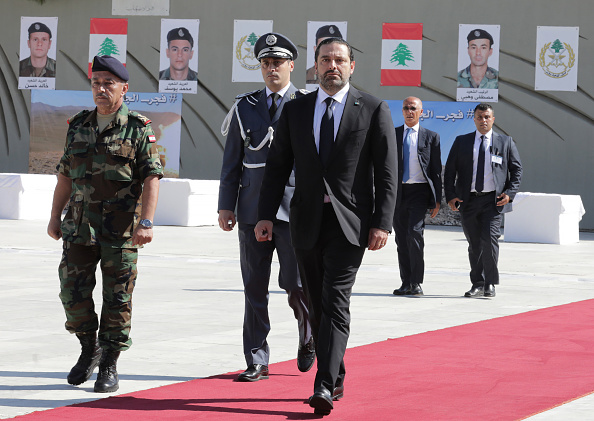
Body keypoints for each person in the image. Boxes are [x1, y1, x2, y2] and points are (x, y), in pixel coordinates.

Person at [255, 37, 397, 416]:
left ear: (352, 66)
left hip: (350, 224)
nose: (331, 65)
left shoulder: (372, 108)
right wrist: (265, 215)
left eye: (339, 59)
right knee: (316, 305)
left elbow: (386, 172)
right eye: (324, 60)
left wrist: (382, 222)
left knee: (335, 300)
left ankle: (323, 384)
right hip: (306, 221)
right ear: (315, 67)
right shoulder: (297, 110)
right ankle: (337, 373)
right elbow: (277, 166)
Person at [47, 55, 163, 393]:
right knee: (72, 292)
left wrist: (147, 221)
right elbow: (65, 176)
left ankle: (110, 362)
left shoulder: (138, 128)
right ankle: (88, 348)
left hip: (121, 229)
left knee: (118, 299)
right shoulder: (79, 125)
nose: (100, 88)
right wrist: (55, 216)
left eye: (108, 83)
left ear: (124, 88)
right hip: (79, 227)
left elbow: (152, 178)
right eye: (96, 82)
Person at [218, 32, 314, 383]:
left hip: (292, 210)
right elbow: (232, 161)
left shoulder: (306, 104)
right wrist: (225, 206)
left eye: (278, 62)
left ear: (292, 65)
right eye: (266, 63)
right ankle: (257, 358)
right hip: (251, 210)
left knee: (296, 284)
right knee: (254, 285)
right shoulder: (245, 107)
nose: (272, 68)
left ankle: (308, 334)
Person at [444, 103, 522, 298]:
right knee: (474, 244)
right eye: (480, 117)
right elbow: (450, 172)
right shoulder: (462, 142)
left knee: (489, 240)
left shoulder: (505, 142)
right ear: (474, 119)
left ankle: (490, 283)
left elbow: (516, 170)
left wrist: (509, 193)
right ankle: (477, 283)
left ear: (493, 119)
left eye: (487, 117)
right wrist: (451, 196)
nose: (483, 120)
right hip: (468, 201)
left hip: (492, 202)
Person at [392, 97, 442, 296]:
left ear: (421, 112)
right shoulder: (392, 134)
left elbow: (436, 171)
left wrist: (437, 199)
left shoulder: (431, 137)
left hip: (419, 192)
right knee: (401, 239)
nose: (409, 111)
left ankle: (416, 283)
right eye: (405, 108)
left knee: (414, 234)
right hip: (398, 193)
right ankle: (406, 282)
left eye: (413, 108)